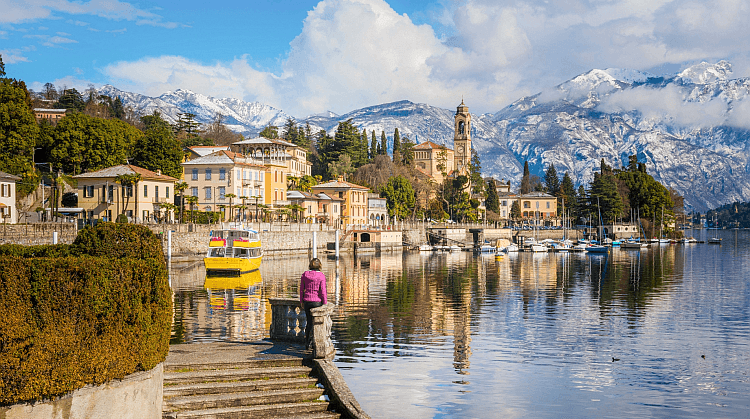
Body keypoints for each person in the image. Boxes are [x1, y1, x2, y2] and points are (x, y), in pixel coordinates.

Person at [299, 258, 327, 349]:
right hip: (317, 302)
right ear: (320, 266)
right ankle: (315, 343)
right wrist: (325, 302)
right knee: (317, 323)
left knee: (309, 322)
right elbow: (323, 291)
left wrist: (301, 301)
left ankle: (307, 343)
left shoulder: (305, 274)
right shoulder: (321, 276)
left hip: (307, 301)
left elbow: (301, 290)